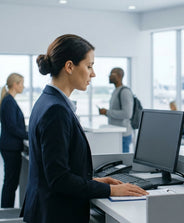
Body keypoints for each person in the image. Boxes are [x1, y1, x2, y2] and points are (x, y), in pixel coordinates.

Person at [21, 34, 148, 223]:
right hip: (55, 214)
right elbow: (59, 179)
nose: (93, 73)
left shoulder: (47, 101)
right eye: (89, 66)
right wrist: (111, 190)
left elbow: (56, 171)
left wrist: (93, 182)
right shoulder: (56, 110)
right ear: (69, 66)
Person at [0, 73, 28, 208]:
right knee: (10, 182)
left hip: (10, 146)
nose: (23, 86)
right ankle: (6, 211)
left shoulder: (8, 100)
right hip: (10, 147)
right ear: (15, 84)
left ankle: (6, 209)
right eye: (21, 83)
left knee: (10, 182)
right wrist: (30, 135)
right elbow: (12, 127)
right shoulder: (9, 102)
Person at [99, 67, 134, 153]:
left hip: (123, 135)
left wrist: (107, 112)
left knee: (124, 163)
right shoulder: (116, 91)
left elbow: (127, 114)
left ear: (119, 76)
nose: (109, 76)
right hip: (117, 134)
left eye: (111, 74)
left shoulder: (125, 92)